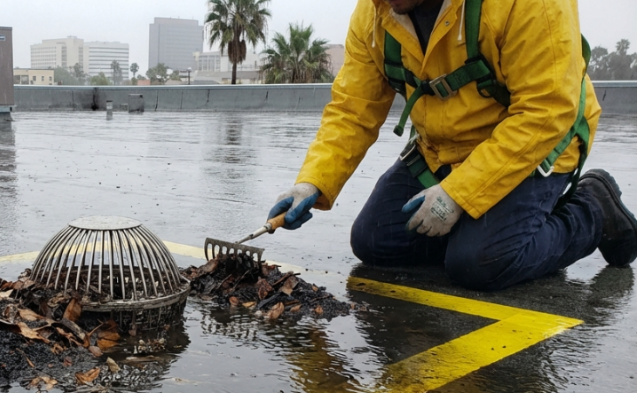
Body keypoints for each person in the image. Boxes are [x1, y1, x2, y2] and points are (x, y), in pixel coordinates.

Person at [268, 0, 637, 291]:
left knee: (480, 264)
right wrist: (313, 181)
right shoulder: (376, 13)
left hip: (535, 141)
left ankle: (593, 210)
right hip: (443, 149)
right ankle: (480, 228)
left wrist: (460, 196)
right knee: (374, 242)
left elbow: (547, 109)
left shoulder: (523, 3)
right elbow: (353, 109)